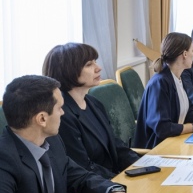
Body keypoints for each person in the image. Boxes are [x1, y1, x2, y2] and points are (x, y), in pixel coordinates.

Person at [0, 75, 134, 193]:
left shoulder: (52, 141)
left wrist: (112, 190)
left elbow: (79, 176)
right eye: (59, 108)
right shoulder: (4, 160)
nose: (63, 113)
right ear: (42, 118)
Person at [42, 43, 140, 179]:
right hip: (95, 185)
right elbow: (82, 167)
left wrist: (142, 164)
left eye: (95, 62)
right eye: (89, 64)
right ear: (68, 70)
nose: (98, 68)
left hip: (112, 179)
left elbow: (115, 145)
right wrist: (119, 182)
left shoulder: (94, 103)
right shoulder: (61, 115)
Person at [133, 32, 193, 149]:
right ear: (184, 54)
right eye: (192, 51)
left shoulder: (178, 77)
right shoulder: (160, 83)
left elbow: (185, 111)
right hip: (157, 148)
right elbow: (162, 128)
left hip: (174, 140)